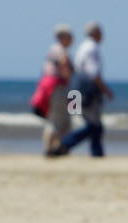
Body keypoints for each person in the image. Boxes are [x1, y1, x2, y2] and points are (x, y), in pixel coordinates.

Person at [57, 21, 113, 157]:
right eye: (101, 32)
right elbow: (93, 72)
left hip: (76, 88)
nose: (103, 36)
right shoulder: (91, 47)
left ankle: (96, 152)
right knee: (93, 124)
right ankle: (64, 145)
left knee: (93, 124)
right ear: (95, 33)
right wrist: (105, 90)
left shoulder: (82, 47)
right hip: (87, 89)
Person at [34, 24, 74, 156]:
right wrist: (70, 73)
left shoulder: (52, 50)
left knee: (55, 120)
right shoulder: (60, 50)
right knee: (61, 120)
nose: (72, 39)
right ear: (63, 37)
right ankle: (55, 148)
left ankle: (52, 147)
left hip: (50, 87)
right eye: (70, 36)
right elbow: (64, 63)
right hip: (58, 87)